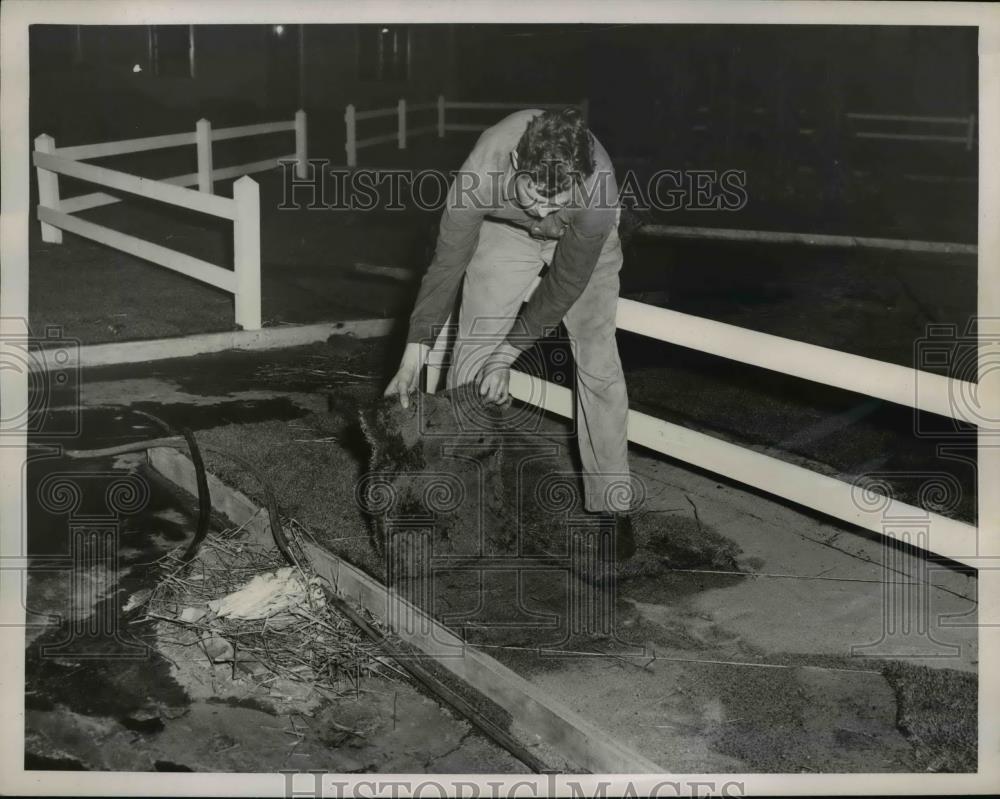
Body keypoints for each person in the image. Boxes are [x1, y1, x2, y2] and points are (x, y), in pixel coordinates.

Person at [384, 107, 635, 559]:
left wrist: (509, 354)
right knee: (471, 355)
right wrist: (412, 356)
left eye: (555, 200)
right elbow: (446, 267)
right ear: (516, 164)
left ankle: (612, 506)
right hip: (506, 231)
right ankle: (460, 497)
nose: (542, 211)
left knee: (599, 363)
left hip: (582, 243)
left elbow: (564, 283)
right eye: (536, 194)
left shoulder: (597, 193)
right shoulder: (480, 173)